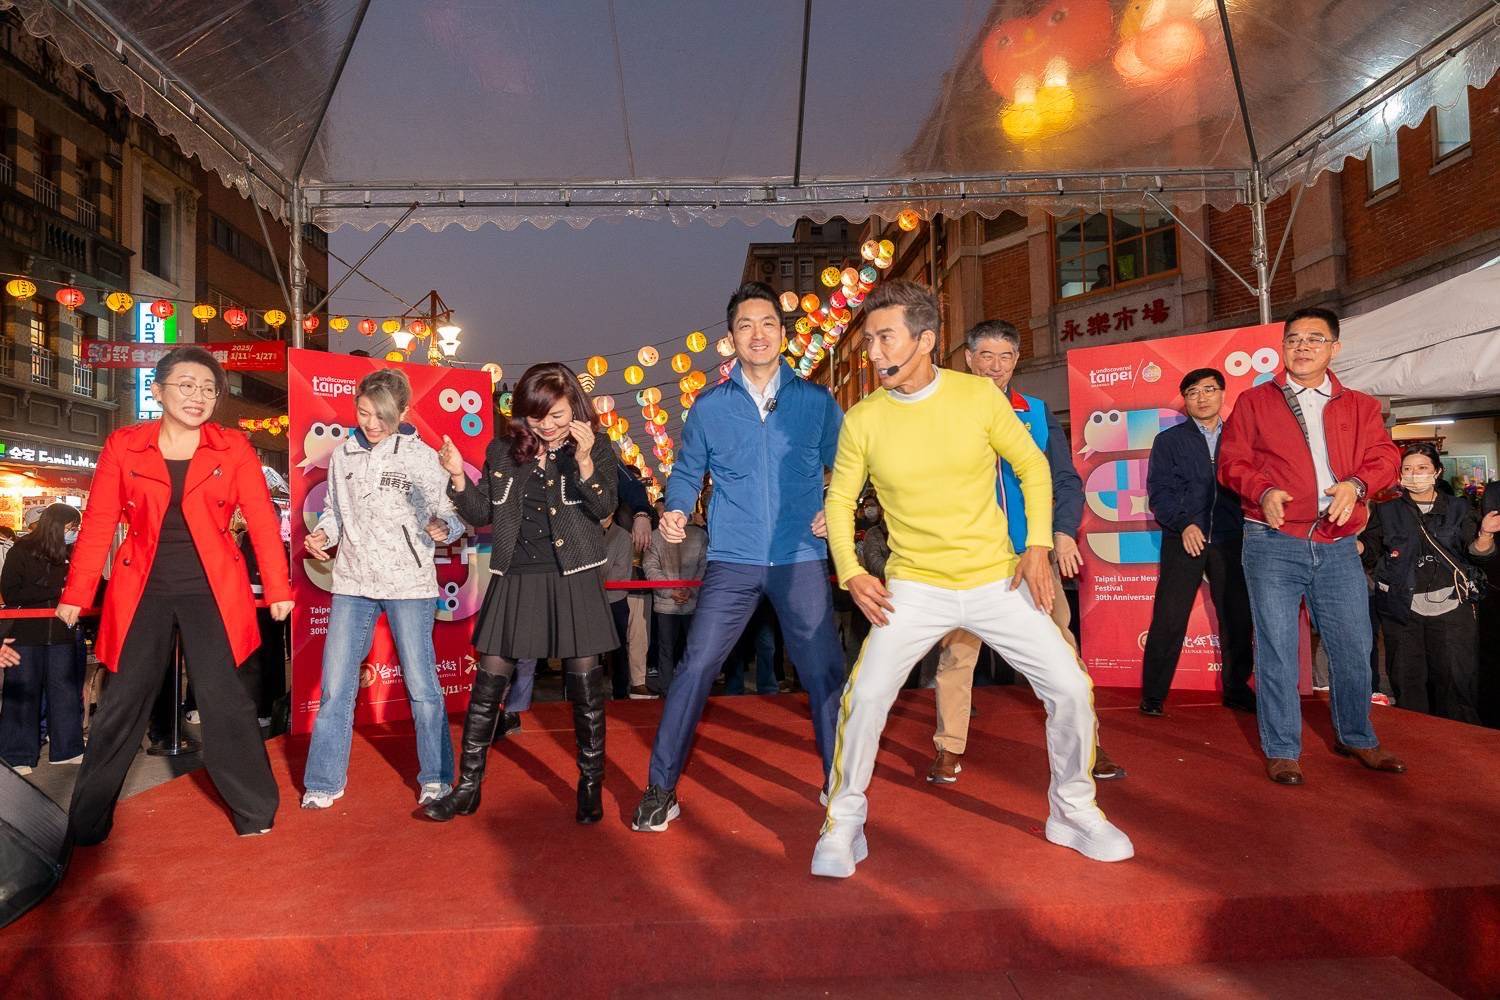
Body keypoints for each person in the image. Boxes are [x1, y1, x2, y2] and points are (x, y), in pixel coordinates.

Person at [814, 280, 1132, 878]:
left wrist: (1037, 546)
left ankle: (1073, 810)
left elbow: (1033, 466)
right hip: (914, 587)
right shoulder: (862, 419)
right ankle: (843, 821)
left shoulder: (979, 397)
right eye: (869, 340)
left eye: (885, 338)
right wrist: (851, 571)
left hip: (996, 581)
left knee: (1069, 685)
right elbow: (839, 500)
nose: (874, 352)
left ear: (925, 340)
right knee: (867, 696)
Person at [631, 281, 845, 833]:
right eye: (745, 325)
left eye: (768, 323)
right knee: (695, 667)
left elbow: (849, 464)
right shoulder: (709, 407)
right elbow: (686, 472)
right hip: (733, 560)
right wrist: (676, 508)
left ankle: (840, 784)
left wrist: (838, 506)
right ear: (731, 338)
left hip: (800, 556)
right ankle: (661, 789)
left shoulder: (816, 402)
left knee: (824, 671)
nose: (758, 334)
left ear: (783, 333)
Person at [56, 346, 293, 842]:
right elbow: (99, 521)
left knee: (226, 701)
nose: (198, 396)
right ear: (158, 390)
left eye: (208, 388)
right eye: (186, 385)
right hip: (141, 588)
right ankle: (87, 824)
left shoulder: (233, 446)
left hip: (213, 588)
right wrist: (77, 591)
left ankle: (255, 813)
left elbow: (262, 520)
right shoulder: (124, 444)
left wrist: (277, 586)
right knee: (122, 703)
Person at [1217, 306, 1404, 786]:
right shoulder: (1254, 402)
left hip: (1337, 542)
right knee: (1278, 649)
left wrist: (1357, 485)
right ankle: (1282, 748)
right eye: (1293, 339)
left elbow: (1385, 457)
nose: (1302, 347)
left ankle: (1357, 736)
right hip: (1272, 539)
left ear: (1334, 348)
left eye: (1314, 339)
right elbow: (1232, 461)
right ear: (1283, 347)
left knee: (1354, 644)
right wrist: (1262, 490)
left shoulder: (1360, 405)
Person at [427, 362, 618, 824]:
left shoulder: (595, 445)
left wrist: (585, 460)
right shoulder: (503, 451)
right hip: (515, 575)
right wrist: (457, 478)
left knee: (586, 688)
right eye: (537, 418)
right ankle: (467, 788)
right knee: (488, 681)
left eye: (557, 416)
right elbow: (481, 514)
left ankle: (590, 786)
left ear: (575, 408)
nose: (547, 427)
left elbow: (604, 506)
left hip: (574, 575)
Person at [930, 320, 1117, 785]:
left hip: (1031, 554)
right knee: (958, 655)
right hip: (968, 557)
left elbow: (1065, 479)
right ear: (968, 359)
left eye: (1005, 357)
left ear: (1016, 361)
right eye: (986, 356)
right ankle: (949, 748)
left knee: (1061, 649)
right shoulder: (942, 411)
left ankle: (1089, 743)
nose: (995, 366)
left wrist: (1063, 532)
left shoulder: (1034, 411)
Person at [301, 369, 462, 810]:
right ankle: (324, 781)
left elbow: (453, 513)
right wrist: (325, 534)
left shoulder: (422, 457)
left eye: (383, 416)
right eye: (364, 412)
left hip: (409, 583)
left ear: (404, 412)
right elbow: (334, 511)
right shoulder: (343, 455)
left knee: (422, 686)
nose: (372, 424)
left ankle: (436, 777)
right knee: (335, 686)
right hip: (353, 581)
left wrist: (444, 526)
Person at [1139, 367, 1256, 716]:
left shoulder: (1240, 437)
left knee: (1237, 617)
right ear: (1185, 400)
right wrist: (1184, 524)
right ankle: (1153, 695)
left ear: (1222, 394)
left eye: (1208, 390)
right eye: (1193, 392)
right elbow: (1159, 492)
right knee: (1169, 617)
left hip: (1231, 538)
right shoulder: (1169, 441)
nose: (1201, 397)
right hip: (1183, 537)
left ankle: (1237, 689)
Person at [1360, 443, 1496, 723]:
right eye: (1408, 469)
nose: (1415, 475)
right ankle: (1418, 741)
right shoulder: (1387, 511)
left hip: (1452, 609)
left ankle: (1459, 741)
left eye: (1422, 468)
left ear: (1437, 471)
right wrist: (1349, 542)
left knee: (1456, 684)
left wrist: (1485, 533)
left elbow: (1476, 553)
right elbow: (1369, 550)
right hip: (1402, 611)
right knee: (1407, 683)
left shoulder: (1458, 508)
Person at [0, 503, 84, 773]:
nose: (73, 532)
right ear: (56, 525)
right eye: (71, 527)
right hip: (25, 634)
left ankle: (67, 749)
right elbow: (11, 592)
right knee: (23, 692)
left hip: (61, 632)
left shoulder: (70, 553)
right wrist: (56, 590)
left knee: (65, 692)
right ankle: (17, 755)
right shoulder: (21, 550)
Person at [642, 500, 707, 695]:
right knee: (690, 648)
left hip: (670, 602)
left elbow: (650, 568)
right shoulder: (699, 535)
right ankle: (690, 688)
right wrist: (686, 590)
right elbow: (704, 567)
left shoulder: (657, 536)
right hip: (685, 600)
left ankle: (667, 690)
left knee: (668, 649)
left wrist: (672, 591)